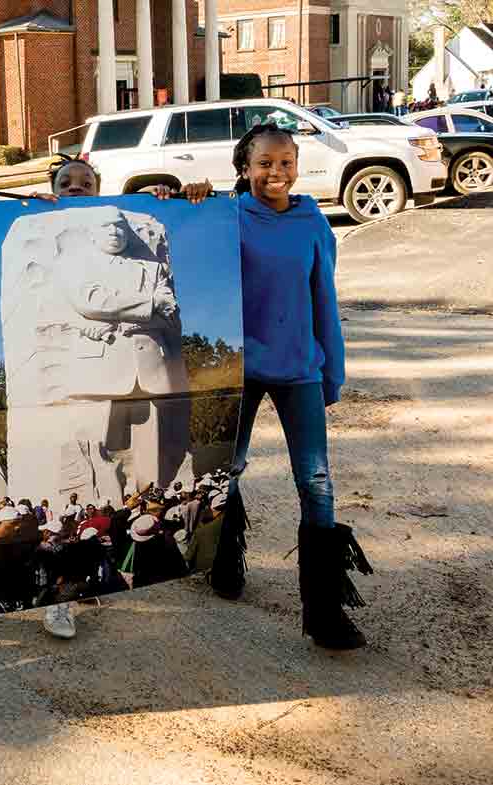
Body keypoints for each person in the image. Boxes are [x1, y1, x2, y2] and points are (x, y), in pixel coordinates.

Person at [181, 123, 374, 650]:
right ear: (245, 167)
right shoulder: (225, 216)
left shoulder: (313, 222)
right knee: (229, 467)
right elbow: (178, 246)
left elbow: (324, 298)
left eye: (286, 162)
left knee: (316, 481)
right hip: (238, 369)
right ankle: (225, 564)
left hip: (299, 368)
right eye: (265, 163)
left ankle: (326, 613)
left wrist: (331, 369)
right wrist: (185, 198)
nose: (276, 172)